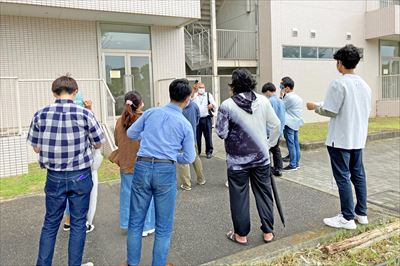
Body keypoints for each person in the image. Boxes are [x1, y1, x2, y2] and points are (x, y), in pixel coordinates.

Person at [27, 75, 104, 266]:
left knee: (51, 223)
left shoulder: (40, 114)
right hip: (80, 175)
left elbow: (36, 148)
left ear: (54, 93)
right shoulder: (85, 114)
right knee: (78, 224)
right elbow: (99, 142)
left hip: (54, 176)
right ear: (75, 92)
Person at [123, 79, 196, 266]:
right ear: (188, 99)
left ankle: (132, 263)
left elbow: (131, 134)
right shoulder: (185, 124)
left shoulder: (151, 113)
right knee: (163, 226)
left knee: (136, 221)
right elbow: (189, 157)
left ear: (170, 94)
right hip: (166, 170)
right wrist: (172, 156)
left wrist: (147, 138)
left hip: (142, 166)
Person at [306, 44, 371, 230]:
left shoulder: (339, 83)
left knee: (342, 177)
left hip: (340, 139)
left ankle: (347, 217)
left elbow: (330, 109)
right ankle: (362, 213)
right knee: (358, 175)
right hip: (358, 138)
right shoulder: (365, 85)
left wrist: (314, 106)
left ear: (340, 63)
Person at [216, 68, 280, 245]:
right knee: (265, 194)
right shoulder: (263, 101)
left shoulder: (226, 105)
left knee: (239, 197)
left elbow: (221, 132)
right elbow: (276, 125)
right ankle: (268, 232)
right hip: (261, 158)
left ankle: (241, 235)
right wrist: (268, 145)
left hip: (237, 162)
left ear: (234, 85)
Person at [109, 91, 155, 236]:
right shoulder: (146, 119)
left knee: (128, 195)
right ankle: (146, 226)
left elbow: (117, 141)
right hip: (144, 163)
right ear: (141, 103)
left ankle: (130, 225)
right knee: (146, 195)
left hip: (126, 163)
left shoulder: (120, 120)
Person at [63, 95, 102, 234]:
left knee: (68, 192)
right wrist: (90, 110)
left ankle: (68, 221)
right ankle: (80, 223)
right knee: (81, 194)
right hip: (81, 168)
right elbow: (97, 137)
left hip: (64, 166)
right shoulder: (84, 118)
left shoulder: (63, 118)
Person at [177, 85, 206, 191]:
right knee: (195, 157)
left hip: (180, 139)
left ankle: (186, 184)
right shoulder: (194, 106)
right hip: (192, 136)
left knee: (182, 162)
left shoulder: (179, 108)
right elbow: (198, 119)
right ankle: (201, 179)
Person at [262, 82, 286, 176]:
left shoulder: (269, 101)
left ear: (268, 91)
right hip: (278, 129)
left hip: (270, 131)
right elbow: (283, 117)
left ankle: (268, 169)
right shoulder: (280, 101)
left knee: (267, 149)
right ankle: (279, 168)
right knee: (276, 150)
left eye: (265, 93)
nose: (265, 95)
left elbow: (267, 118)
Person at [280, 76, 304, 171]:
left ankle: (293, 164)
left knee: (291, 144)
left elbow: (281, 106)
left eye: (282, 85)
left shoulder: (289, 97)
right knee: (295, 143)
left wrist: (281, 96)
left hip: (289, 123)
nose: (281, 87)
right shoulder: (298, 97)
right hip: (296, 123)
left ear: (287, 88)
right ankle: (296, 163)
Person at [192, 81, 216, 159]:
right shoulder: (194, 95)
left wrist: (211, 105)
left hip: (206, 118)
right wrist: (193, 91)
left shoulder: (208, 95)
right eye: (200, 87)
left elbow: (215, 105)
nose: (201, 89)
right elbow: (189, 102)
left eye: (203, 87)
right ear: (197, 88)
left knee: (208, 136)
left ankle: (209, 152)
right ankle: (197, 152)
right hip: (197, 119)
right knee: (197, 137)